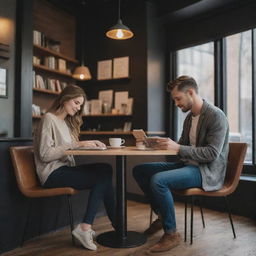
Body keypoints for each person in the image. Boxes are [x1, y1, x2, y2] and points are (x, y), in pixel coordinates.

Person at [133, 76, 229, 253]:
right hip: (188, 165)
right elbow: (183, 145)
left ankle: (171, 234)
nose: (176, 103)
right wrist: (162, 144)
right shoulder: (190, 118)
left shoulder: (216, 116)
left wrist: (178, 147)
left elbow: (211, 154)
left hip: (205, 171)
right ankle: (162, 216)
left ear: (191, 92)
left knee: (158, 180)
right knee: (140, 170)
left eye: (178, 98)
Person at [34, 85, 115, 251]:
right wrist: (78, 143)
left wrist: (90, 145)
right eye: (76, 103)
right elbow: (44, 154)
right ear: (65, 99)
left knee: (105, 169)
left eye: (80, 105)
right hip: (51, 174)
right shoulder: (49, 118)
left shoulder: (65, 122)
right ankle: (86, 228)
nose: (78, 108)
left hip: (63, 169)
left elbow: (69, 148)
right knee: (102, 177)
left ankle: (117, 226)